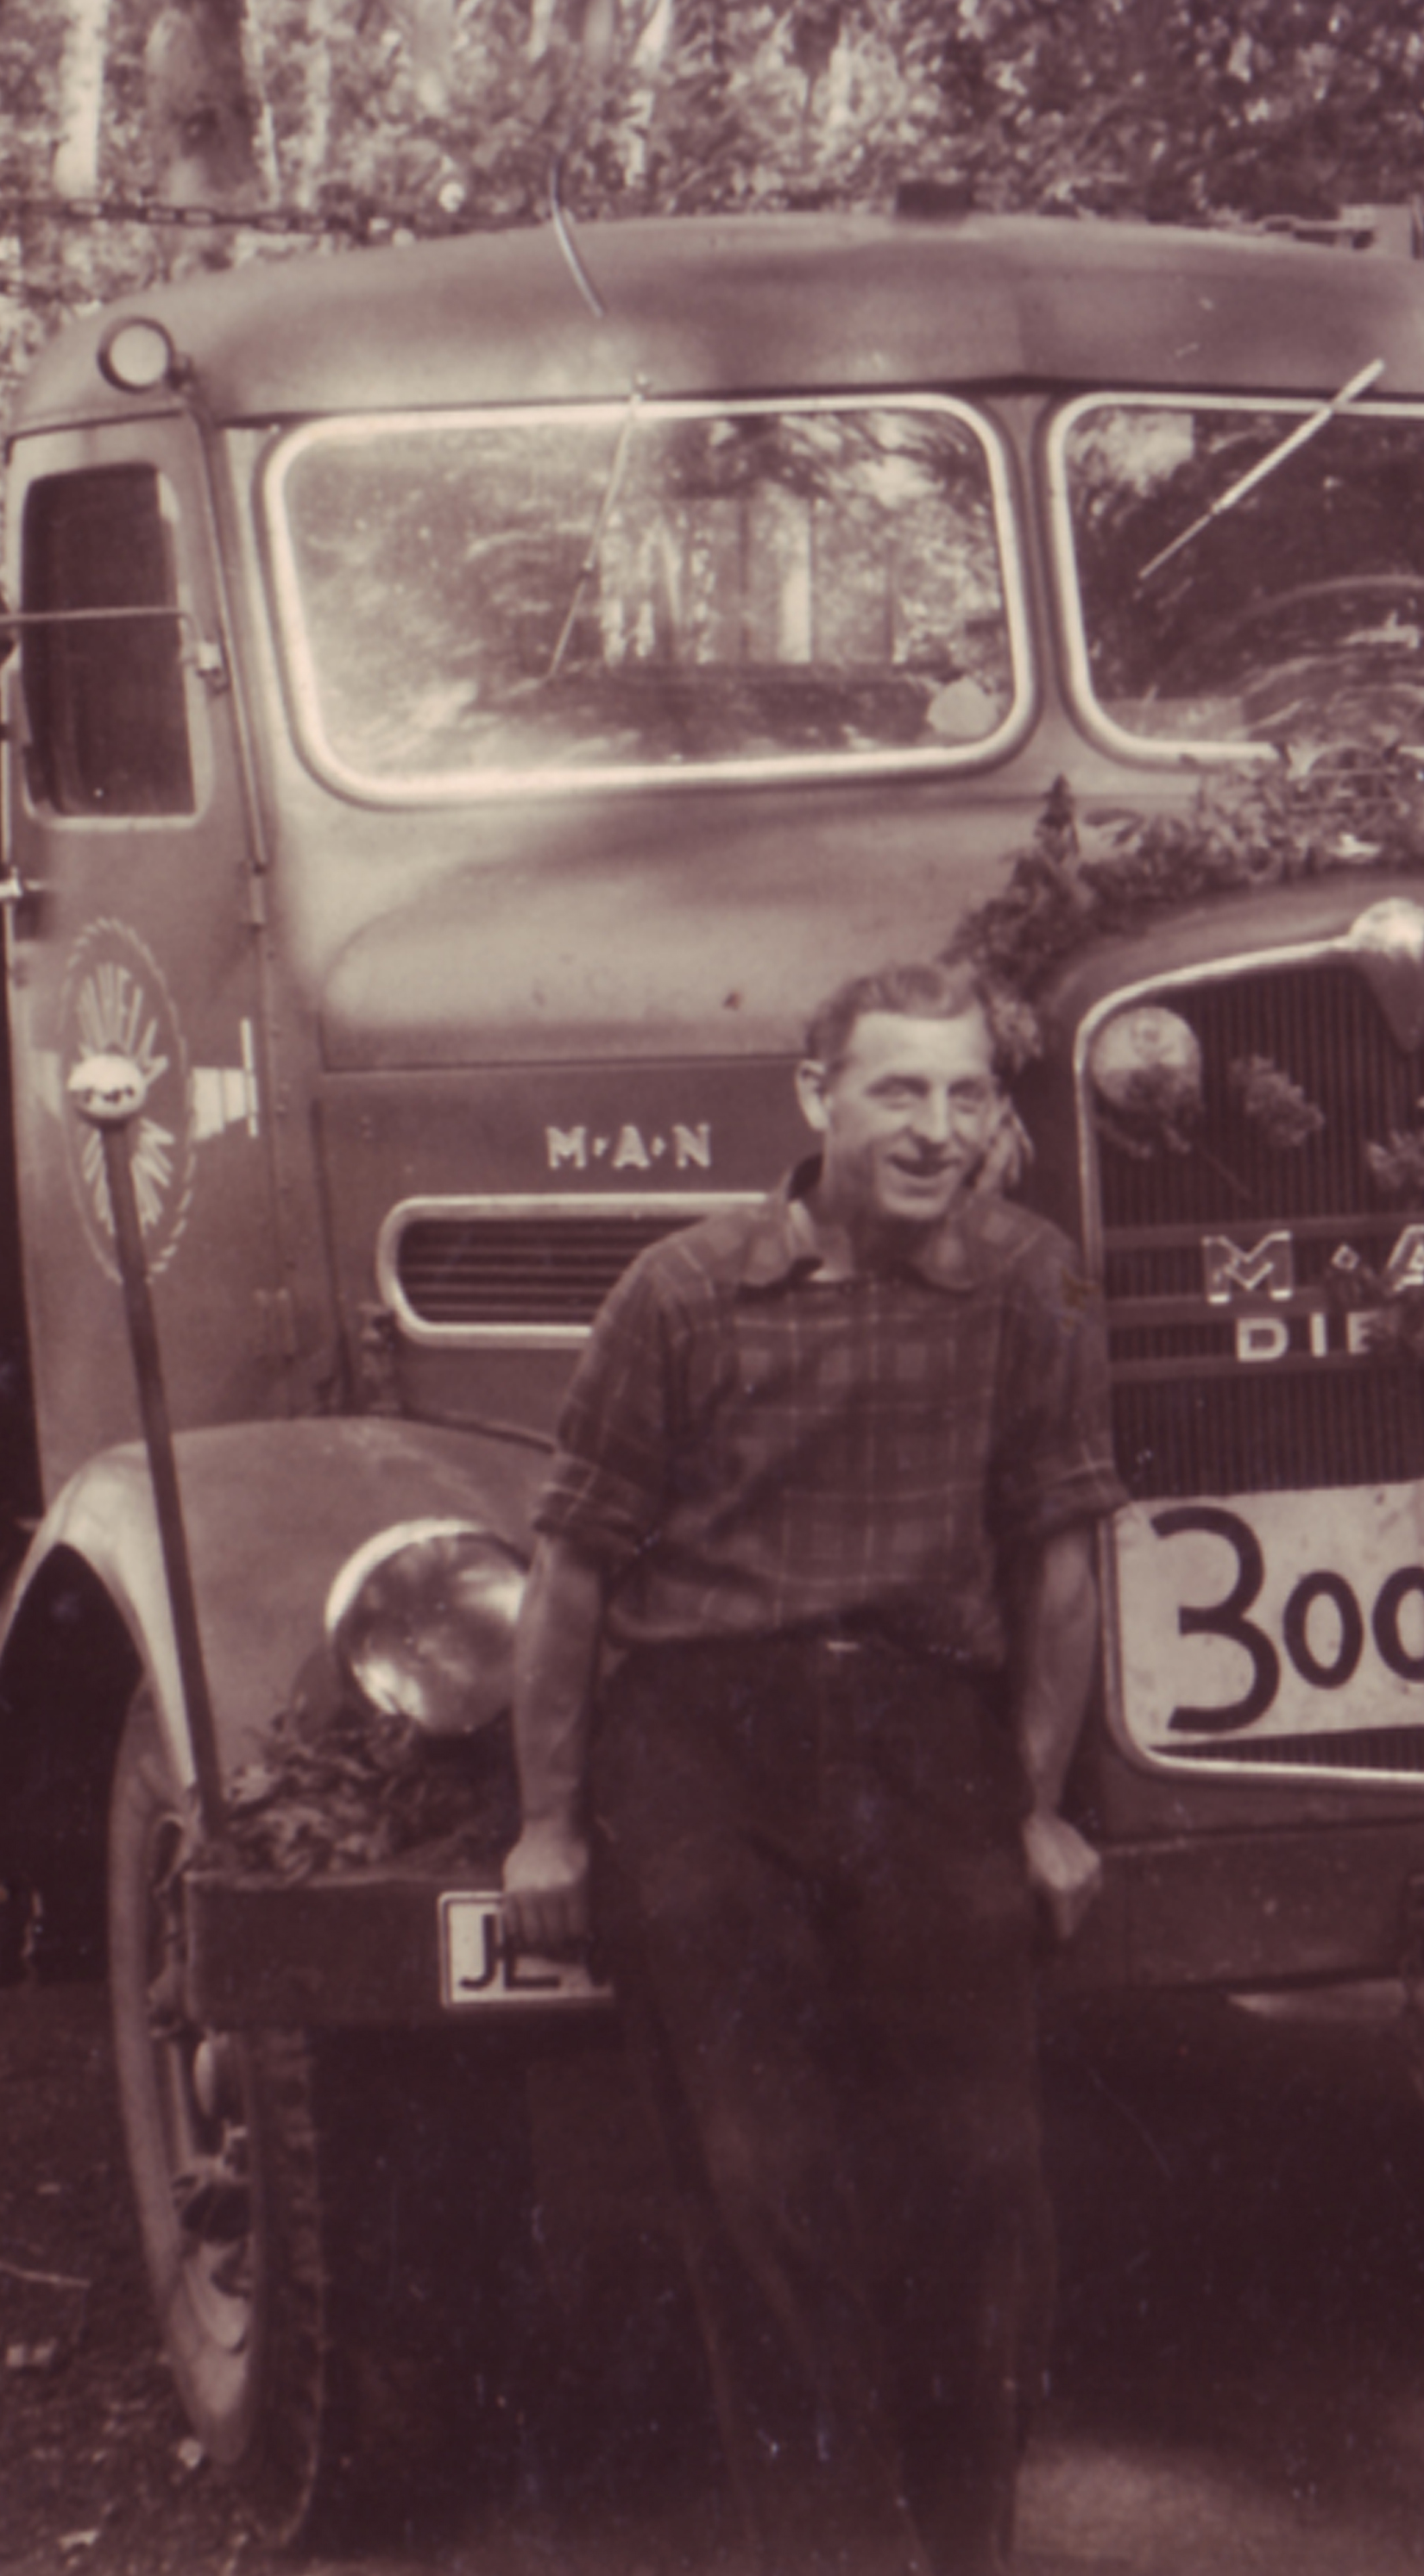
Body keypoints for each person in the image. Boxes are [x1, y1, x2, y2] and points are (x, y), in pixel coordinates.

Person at [501, 957, 1125, 2576]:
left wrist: (1034, 1805)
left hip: (924, 1730)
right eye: (897, 1089)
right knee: (761, 2175)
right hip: (701, 1734)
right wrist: (551, 1824)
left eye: (966, 1094)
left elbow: (1059, 1560)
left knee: (981, 2173)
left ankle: (965, 2547)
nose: (935, 1129)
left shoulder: (1030, 1284)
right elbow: (573, 1571)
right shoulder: (683, 1293)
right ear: (816, 1099)